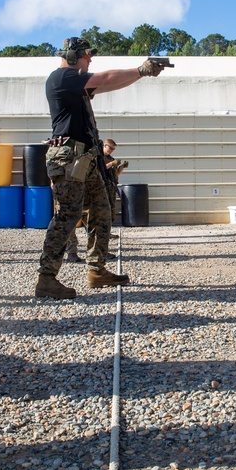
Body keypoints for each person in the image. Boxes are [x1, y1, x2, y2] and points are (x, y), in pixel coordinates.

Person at [35, 38, 166, 299]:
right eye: (86, 56)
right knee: (68, 216)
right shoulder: (62, 77)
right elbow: (105, 78)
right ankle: (46, 279)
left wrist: (141, 75)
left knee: (101, 209)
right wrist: (140, 70)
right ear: (72, 57)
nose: (90, 60)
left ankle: (97, 270)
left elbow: (110, 84)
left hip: (85, 157)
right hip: (69, 157)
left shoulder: (76, 84)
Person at [64, 138, 126, 263]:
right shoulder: (72, 155)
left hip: (91, 194)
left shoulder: (96, 157)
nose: (111, 150)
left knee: (94, 225)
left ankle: (97, 251)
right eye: (110, 147)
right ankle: (72, 252)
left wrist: (120, 167)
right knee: (70, 224)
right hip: (74, 192)